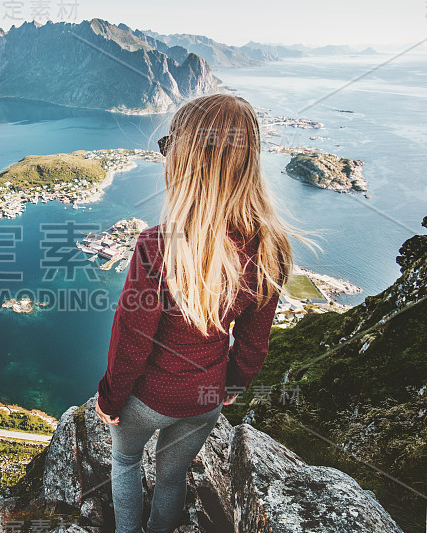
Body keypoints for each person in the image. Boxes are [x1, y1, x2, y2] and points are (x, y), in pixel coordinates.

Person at [95, 93, 318, 533]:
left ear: (185, 162)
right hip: (205, 399)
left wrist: (110, 397)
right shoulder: (270, 246)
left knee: (124, 460)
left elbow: (133, 341)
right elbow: (254, 343)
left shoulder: (158, 246)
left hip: (147, 399)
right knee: (173, 475)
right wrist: (231, 386)